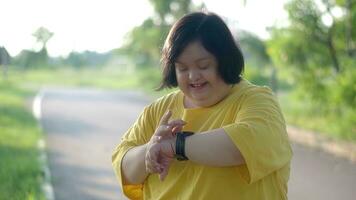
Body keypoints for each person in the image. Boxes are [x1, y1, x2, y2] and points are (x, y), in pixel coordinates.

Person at [112, 11, 293, 200]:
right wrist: (150, 149)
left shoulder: (257, 100)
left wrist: (175, 146)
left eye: (203, 66)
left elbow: (244, 145)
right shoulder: (159, 110)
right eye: (183, 68)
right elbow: (125, 169)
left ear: (225, 61)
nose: (193, 76)